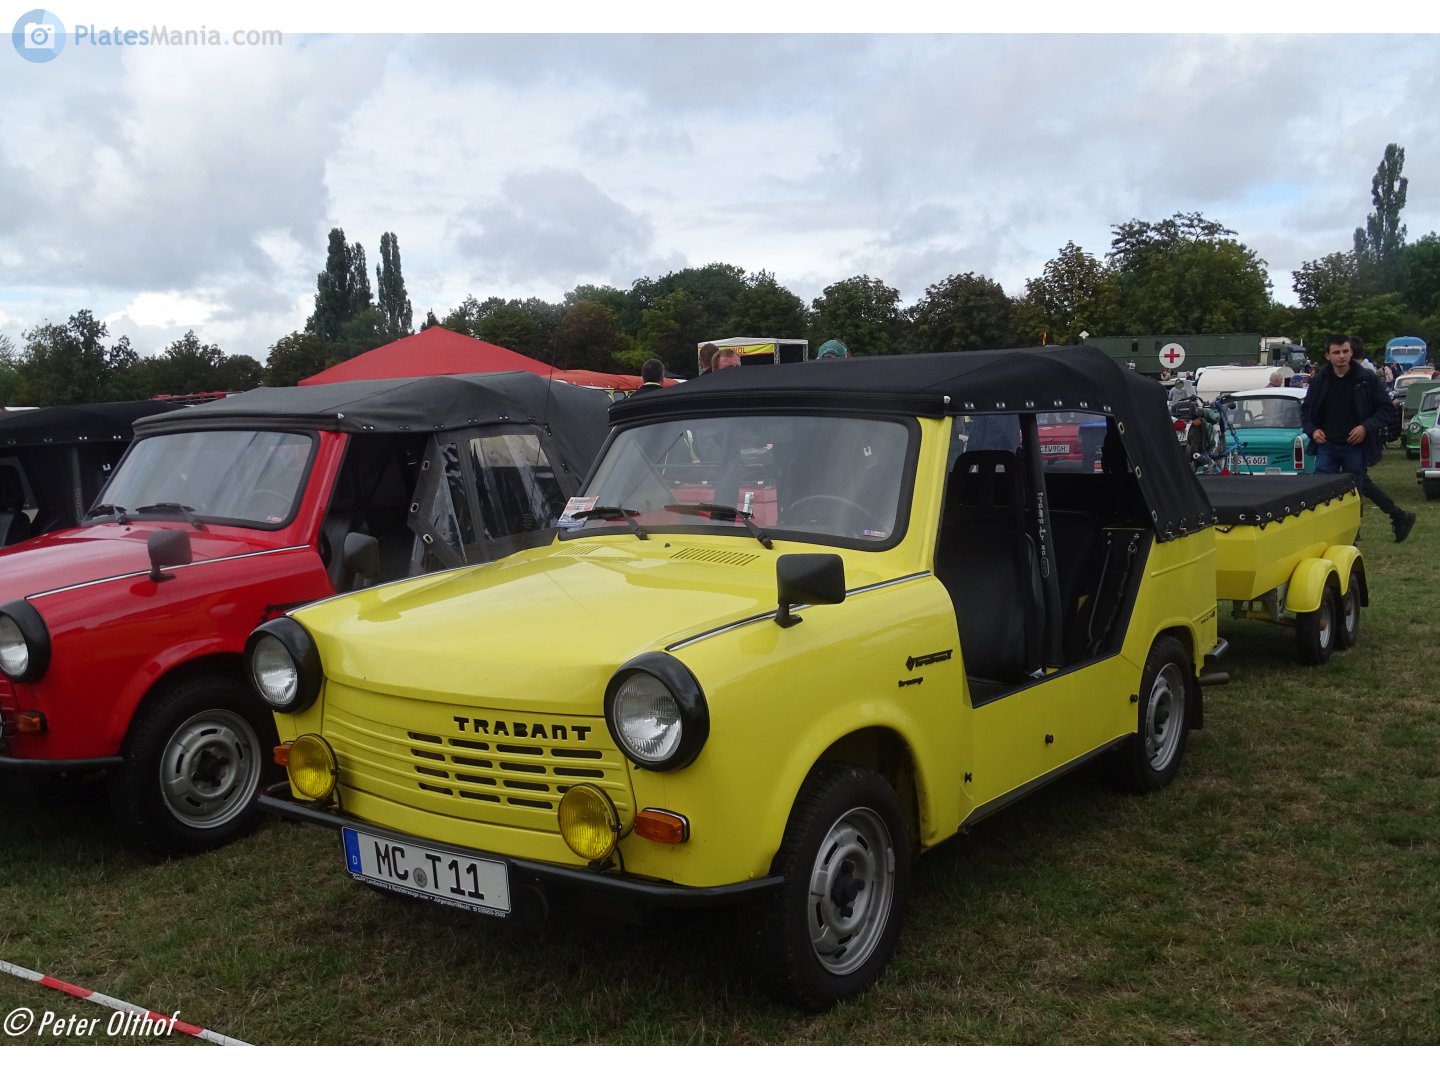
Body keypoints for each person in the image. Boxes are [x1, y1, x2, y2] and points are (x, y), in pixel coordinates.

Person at [1302, 333, 1415, 542]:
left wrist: (1365, 427)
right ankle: (1395, 517)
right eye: (1336, 352)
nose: (1341, 356)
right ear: (1328, 355)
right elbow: (1306, 411)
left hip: (1355, 445)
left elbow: (1386, 410)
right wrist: (1312, 430)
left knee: (1354, 490)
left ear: (1351, 352)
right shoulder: (1319, 380)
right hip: (1327, 444)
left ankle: (1353, 533)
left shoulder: (1366, 379)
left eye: (1345, 351)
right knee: (1324, 489)